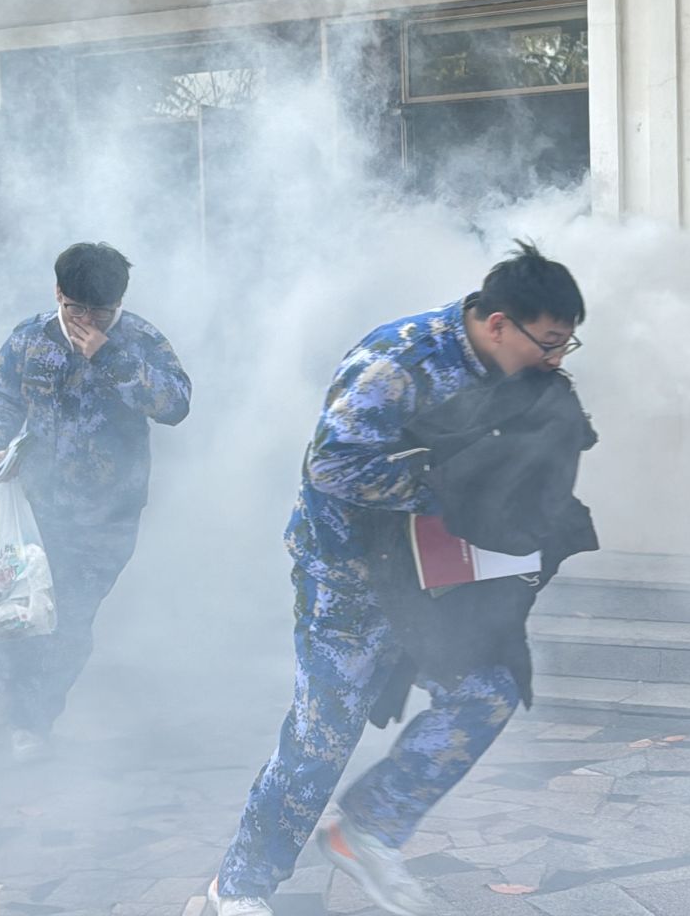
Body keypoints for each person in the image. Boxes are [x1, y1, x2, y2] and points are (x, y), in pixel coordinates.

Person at [207, 243, 587, 916]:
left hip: (436, 577)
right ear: (498, 323)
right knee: (323, 734)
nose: (556, 359)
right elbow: (332, 468)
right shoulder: (398, 362)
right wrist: (451, 490)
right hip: (348, 576)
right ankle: (238, 888)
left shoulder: (519, 374)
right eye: (548, 343)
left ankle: (369, 828)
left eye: (566, 345)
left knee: (488, 693)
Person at [0, 241, 191, 763]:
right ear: (58, 294)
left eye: (100, 312)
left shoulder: (138, 341)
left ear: (119, 303)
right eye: (75, 309)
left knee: (68, 619)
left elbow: (176, 404)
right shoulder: (30, 339)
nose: (86, 321)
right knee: (15, 608)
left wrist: (109, 355)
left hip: (106, 514)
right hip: (35, 506)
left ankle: (34, 719)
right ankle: (5, 685)